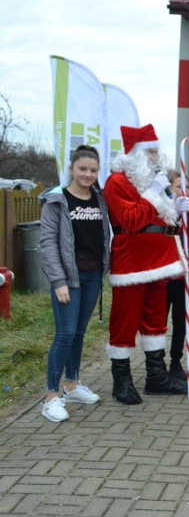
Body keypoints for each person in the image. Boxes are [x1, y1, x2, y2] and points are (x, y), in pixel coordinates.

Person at [103, 124, 189, 404]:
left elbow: (158, 218)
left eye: (156, 150)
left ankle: (156, 376)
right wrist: (154, 194)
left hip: (160, 260)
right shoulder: (117, 182)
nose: (154, 156)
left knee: (155, 318)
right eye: (149, 151)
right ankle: (121, 381)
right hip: (132, 261)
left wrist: (175, 208)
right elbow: (131, 220)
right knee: (125, 320)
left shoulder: (153, 180)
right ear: (135, 154)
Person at [39, 145, 110, 421]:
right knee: (65, 334)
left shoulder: (99, 199)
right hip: (68, 277)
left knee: (79, 332)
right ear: (71, 168)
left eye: (93, 170)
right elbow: (47, 244)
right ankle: (51, 397)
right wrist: (58, 281)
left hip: (93, 275)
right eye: (82, 168)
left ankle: (72, 384)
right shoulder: (56, 200)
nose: (87, 174)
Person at [164, 170, 189, 381]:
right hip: (164, 277)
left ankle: (176, 361)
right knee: (159, 322)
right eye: (178, 186)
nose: (183, 191)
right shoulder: (163, 211)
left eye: (188, 187)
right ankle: (155, 362)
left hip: (183, 277)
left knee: (180, 322)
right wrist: (172, 214)